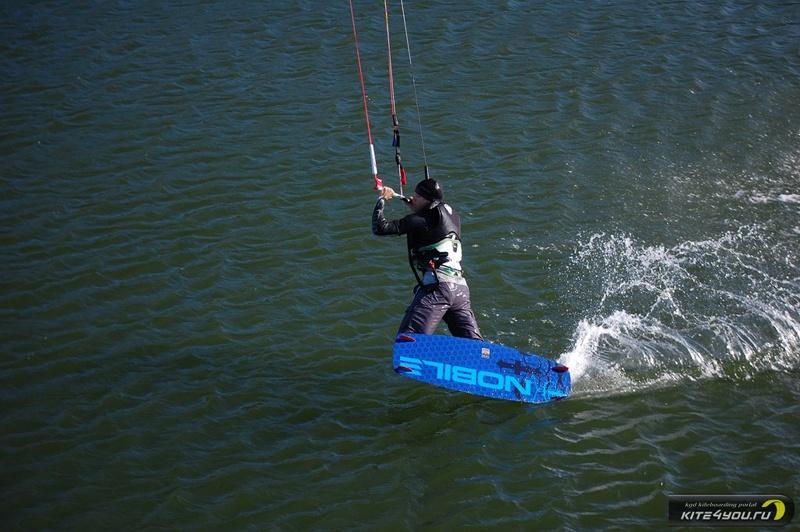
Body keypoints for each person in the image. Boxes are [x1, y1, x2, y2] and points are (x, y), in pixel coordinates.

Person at [372, 178, 483, 340]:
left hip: (438, 288)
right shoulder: (452, 216)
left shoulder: (419, 220)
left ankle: (409, 362)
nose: (413, 197)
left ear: (428, 201)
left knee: (409, 339)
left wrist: (381, 199)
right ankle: (483, 358)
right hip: (460, 291)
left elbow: (379, 228)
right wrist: (413, 204)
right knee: (472, 343)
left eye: (418, 196)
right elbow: (429, 222)